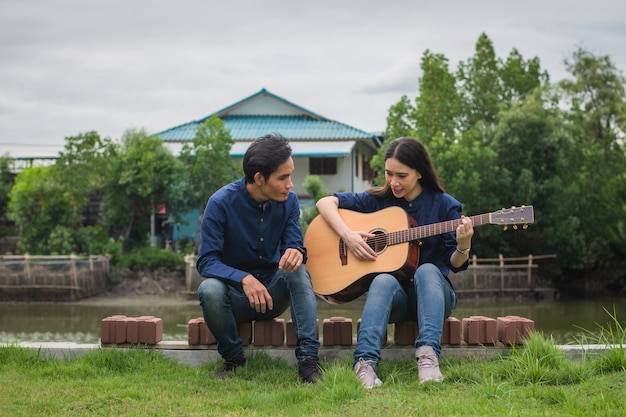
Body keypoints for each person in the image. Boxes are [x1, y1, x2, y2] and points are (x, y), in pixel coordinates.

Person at [316, 137, 474, 388]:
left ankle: (428, 359)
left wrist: (463, 245)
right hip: (395, 300)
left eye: (402, 175)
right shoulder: (378, 200)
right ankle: (365, 364)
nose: (393, 182)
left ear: (420, 172)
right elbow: (325, 202)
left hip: (435, 296)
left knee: (427, 269)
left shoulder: (445, 205)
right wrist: (349, 236)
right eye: (389, 174)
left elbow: (454, 263)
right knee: (383, 278)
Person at [196, 133, 322, 383]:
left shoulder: (289, 201)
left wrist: (295, 252)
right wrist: (243, 278)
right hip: (236, 300)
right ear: (259, 178)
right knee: (208, 289)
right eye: (283, 177)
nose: (290, 184)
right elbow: (206, 261)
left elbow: (294, 243)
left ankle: (309, 363)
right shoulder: (220, 203)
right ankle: (234, 360)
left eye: (291, 175)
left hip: (274, 294)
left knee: (298, 271)